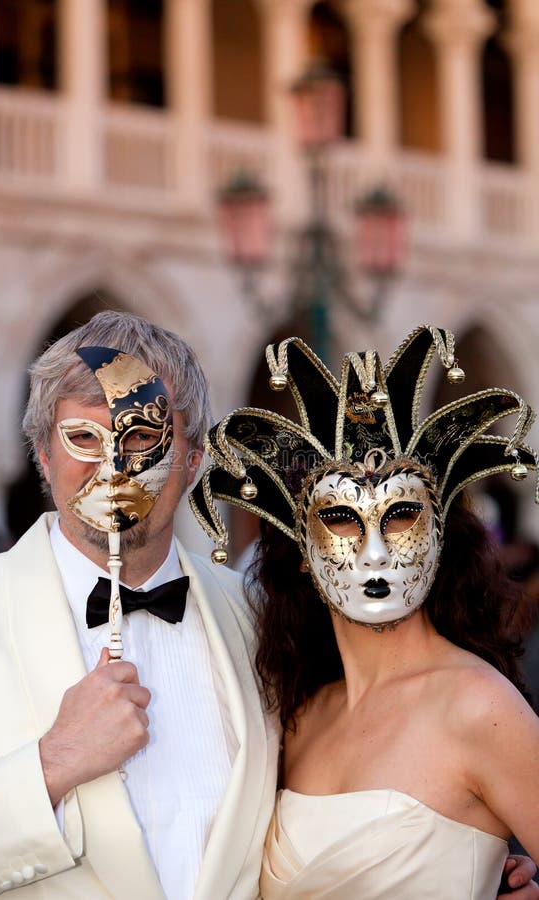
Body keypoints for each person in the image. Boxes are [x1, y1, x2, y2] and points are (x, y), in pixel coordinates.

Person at [190, 326, 539, 899]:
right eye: (342, 520)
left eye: (401, 515)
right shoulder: (298, 719)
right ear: (303, 552)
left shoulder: (480, 709)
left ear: (440, 535)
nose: (373, 551)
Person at [0, 310, 279, 899]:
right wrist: (53, 764)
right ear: (43, 456)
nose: (113, 465)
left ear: (193, 459)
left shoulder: (257, 619)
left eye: (144, 437)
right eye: (83, 438)